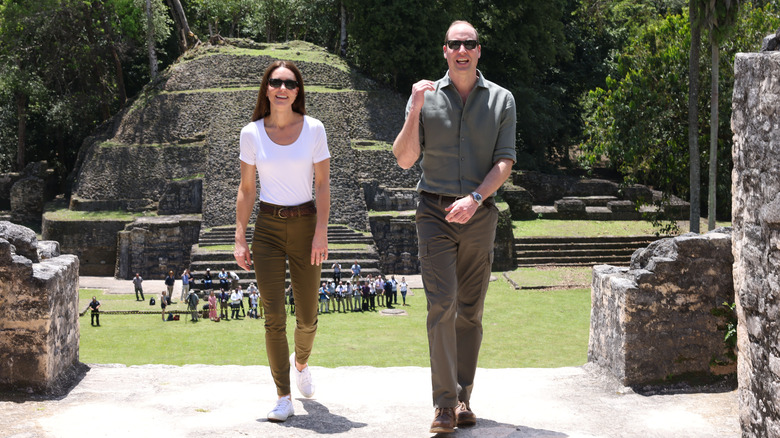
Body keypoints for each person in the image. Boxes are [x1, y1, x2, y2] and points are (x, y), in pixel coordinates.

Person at [392, 20, 517, 434]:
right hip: (434, 214)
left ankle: (464, 396)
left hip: (479, 215)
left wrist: (476, 197)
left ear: (479, 50)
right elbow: (405, 158)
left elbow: (504, 162)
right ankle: (444, 405)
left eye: (469, 43)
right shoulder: (425, 98)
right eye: (454, 43)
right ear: (444, 50)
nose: (462, 49)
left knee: (470, 312)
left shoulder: (502, 100)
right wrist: (413, 108)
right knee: (441, 305)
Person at [234, 60, 331, 423]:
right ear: (266, 88)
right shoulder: (251, 133)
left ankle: (301, 361)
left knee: (307, 317)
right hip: (268, 229)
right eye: (275, 82)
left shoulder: (314, 129)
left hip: (306, 224)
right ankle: (283, 395)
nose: (282, 88)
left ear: (297, 90)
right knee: (273, 316)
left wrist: (322, 230)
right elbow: (246, 189)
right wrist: (240, 235)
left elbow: (322, 184)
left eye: (289, 83)